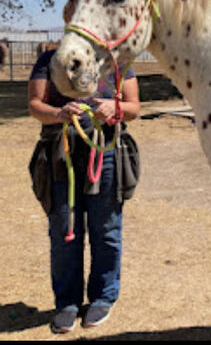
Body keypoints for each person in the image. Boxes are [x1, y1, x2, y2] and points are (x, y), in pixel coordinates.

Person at [27, 48, 140, 333]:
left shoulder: (117, 61)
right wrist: (58, 113)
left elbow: (133, 107)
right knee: (65, 229)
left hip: (106, 153)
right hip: (61, 154)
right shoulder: (49, 60)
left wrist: (116, 108)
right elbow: (35, 104)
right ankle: (67, 302)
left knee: (106, 228)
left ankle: (103, 296)